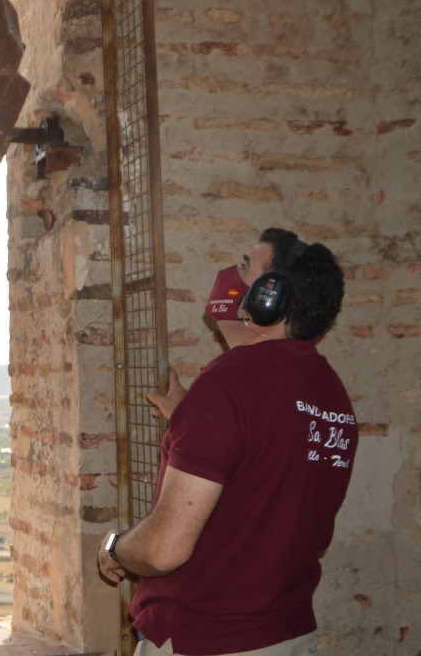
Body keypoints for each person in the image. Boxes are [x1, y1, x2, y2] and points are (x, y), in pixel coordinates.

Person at [98, 230, 356, 656]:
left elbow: (165, 550)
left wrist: (116, 548)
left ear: (270, 296)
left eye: (245, 268)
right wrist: (190, 419)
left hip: (210, 639)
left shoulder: (229, 384)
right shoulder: (331, 393)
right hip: (290, 635)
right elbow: (263, 481)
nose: (233, 278)